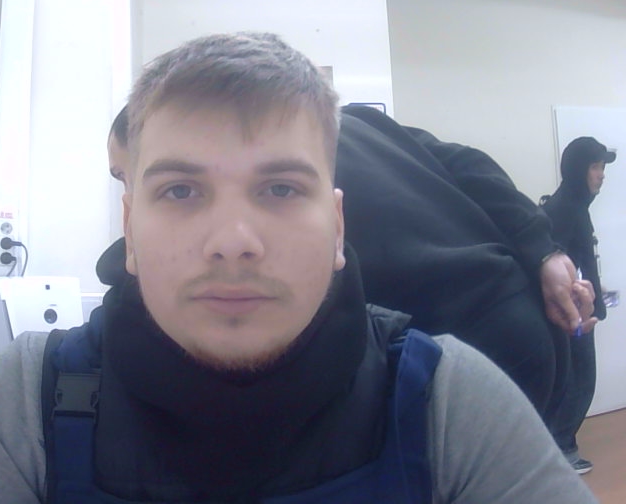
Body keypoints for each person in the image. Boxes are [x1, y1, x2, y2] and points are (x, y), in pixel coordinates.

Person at [0, 32, 596, 503]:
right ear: (130, 230)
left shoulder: (450, 400)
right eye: (180, 191)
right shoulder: (28, 399)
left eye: (281, 189)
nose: (233, 243)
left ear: (338, 227)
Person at [98, 103, 593, 422]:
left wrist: (132, 246)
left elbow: (147, 263)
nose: (126, 187)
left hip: (453, 356)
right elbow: (472, 164)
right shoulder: (357, 120)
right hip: (525, 317)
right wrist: (545, 252)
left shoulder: (271, 192)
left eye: (127, 173)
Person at [541, 136, 616, 474]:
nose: (601, 175)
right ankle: (561, 450)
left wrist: (598, 294)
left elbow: (577, 260)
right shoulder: (565, 209)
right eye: (595, 167)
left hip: (578, 312)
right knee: (579, 381)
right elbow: (553, 265)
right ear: (577, 170)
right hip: (571, 316)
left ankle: (560, 446)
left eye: (602, 167)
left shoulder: (572, 207)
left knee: (577, 381)